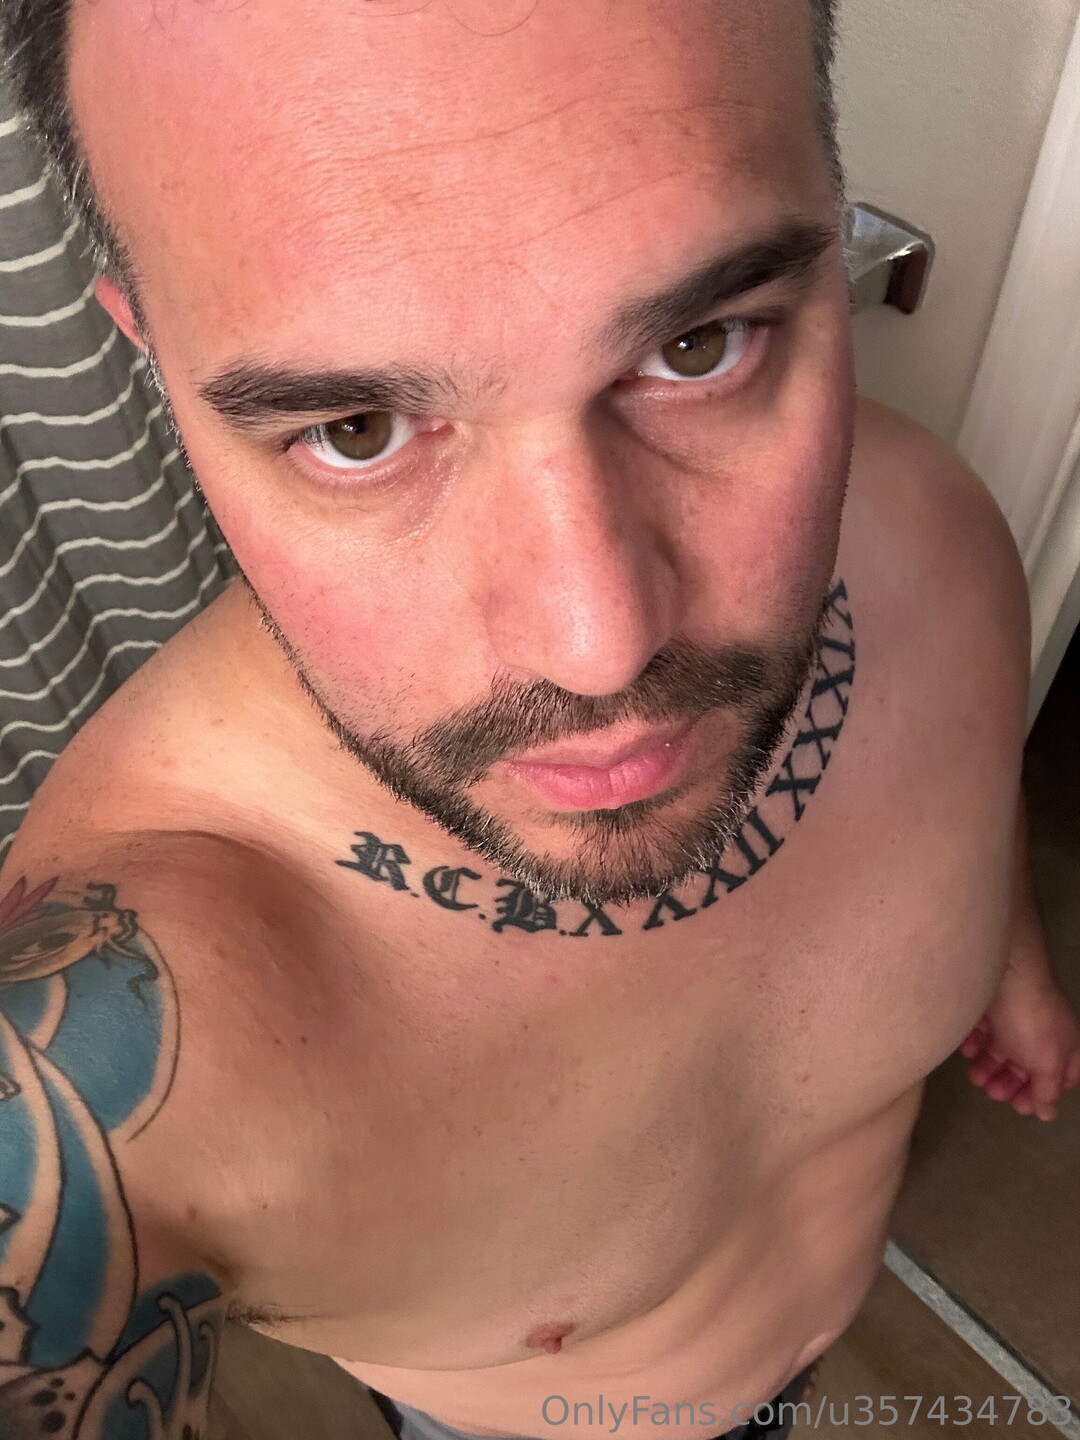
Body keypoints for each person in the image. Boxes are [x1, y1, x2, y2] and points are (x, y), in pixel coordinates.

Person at [2, 2, 1079, 1437]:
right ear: (152, 355)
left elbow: (970, 771)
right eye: (358, 431)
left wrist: (1004, 954)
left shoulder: (937, 542)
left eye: (698, 345)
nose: (600, 646)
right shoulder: (135, 1028)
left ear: (836, 236)